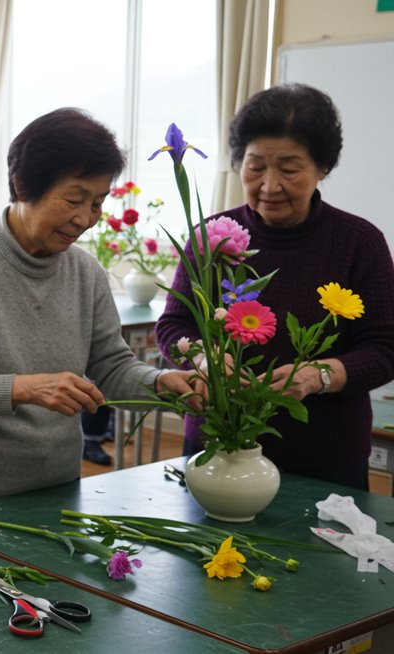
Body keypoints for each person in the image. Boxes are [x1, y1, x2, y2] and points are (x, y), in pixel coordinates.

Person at [0, 108, 196, 511]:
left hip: (57, 482)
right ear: (23, 185)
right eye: (75, 199)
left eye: (97, 203)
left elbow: (110, 367)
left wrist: (162, 383)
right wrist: (27, 388)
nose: (86, 219)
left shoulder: (86, 272)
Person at [155, 84, 394, 491]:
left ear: (322, 168)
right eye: (255, 166)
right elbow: (174, 325)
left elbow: (385, 348)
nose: (269, 185)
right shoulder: (214, 236)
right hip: (217, 447)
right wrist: (202, 357)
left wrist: (317, 376)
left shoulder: (359, 242)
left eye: (289, 168)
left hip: (323, 457)